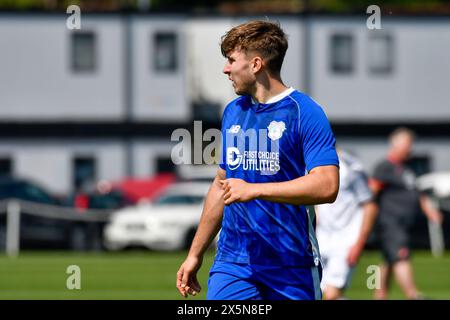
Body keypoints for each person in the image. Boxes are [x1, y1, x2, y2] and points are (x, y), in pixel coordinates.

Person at [176, 20, 339, 300]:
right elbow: (221, 185)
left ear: (255, 64)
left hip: (290, 264)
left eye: (231, 61)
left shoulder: (306, 113)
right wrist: (195, 254)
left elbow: (327, 185)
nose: (225, 69)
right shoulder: (233, 112)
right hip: (234, 263)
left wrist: (256, 189)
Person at [370, 127, 443, 300]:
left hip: (404, 223)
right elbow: (371, 191)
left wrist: (430, 211)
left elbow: (418, 193)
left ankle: (379, 295)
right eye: (407, 143)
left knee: (389, 259)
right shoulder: (385, 166)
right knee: (401, 255)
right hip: (390, 222)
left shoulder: (408, 169)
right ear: (396, 144)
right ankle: (413, 294)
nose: (410, 148)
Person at [315, 149, 378, 300]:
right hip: (320, 240)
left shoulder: (351, 166)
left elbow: (370, 205)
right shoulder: (312, 162)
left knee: (331, 295)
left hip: (346, 241)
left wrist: (359, 243)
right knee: (316, 293)